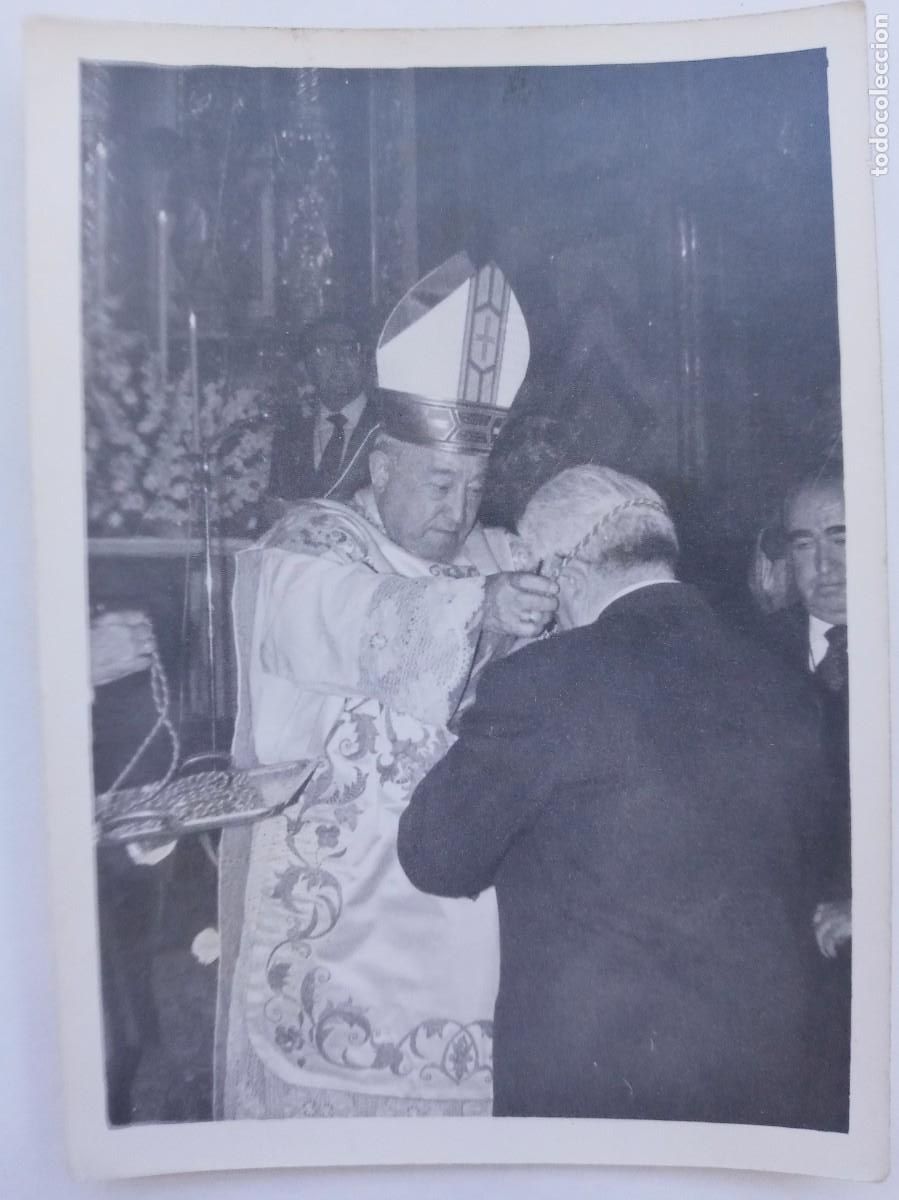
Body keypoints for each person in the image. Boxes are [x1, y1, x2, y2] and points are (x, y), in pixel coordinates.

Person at [215, 253, 558, 1119]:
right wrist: (479, 615)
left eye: (476, 486)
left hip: (467, 920)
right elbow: (352, 618)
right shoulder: (310, 547)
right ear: (379, 471)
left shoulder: (495, 555)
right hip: (343, 931)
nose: (460, 508)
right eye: (441, 482)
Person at [399, 464, 837, 1128]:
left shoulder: (542, 683)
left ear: (562, 574)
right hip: (766, 1078)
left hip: (600, 1087)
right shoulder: (781, 682)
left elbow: (434, 856)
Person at [760, 467, 851, 1129]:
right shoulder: (747, 655)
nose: (825, 563)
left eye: (842, 535)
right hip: (777, 961)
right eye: (802, 543)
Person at [266, 316, 380, 509]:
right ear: (306, 366)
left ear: (366, 360)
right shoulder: (289, 436)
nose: (339, 360)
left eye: (350, 348)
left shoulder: (387, 427)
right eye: (324, 350)